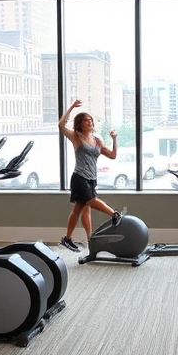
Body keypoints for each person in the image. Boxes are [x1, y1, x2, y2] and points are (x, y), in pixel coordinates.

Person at [58, 99, 124, 252]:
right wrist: (72, 107)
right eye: (86, 120)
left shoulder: (97, 141)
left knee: (81, 210)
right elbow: (61, 125)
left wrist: (114, 139)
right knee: (91, 201)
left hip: (92, 179)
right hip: (79, 177)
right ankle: (114, 214)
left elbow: (113, 155)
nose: (89, 122)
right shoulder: (76, 136)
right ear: (80, 123)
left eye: (90, 120)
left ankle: (84, 240)